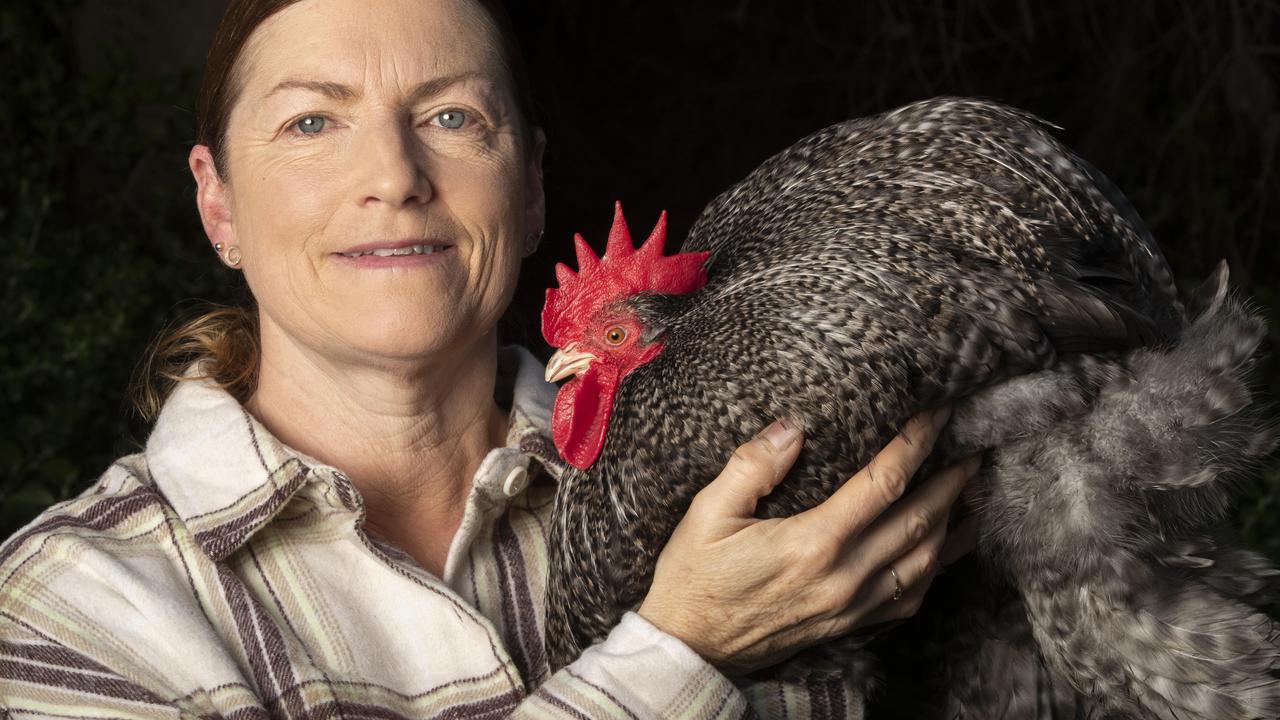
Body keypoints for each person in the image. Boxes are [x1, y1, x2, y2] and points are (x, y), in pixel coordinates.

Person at [0, 0, 979, 716]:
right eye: (312, 122)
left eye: (451, 117)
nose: (392, 176)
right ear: (219, 205)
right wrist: (683, 652)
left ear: (531, 190)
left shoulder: (758, 488)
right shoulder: (73, 606)